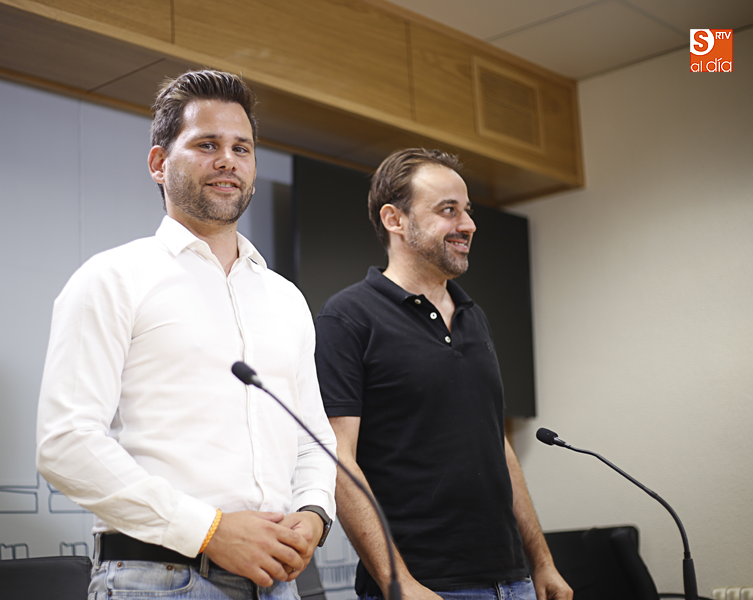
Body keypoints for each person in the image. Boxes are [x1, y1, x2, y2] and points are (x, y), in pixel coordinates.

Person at [36, 70, 336, 600]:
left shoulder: (287, 299)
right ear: (159, 163)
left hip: (278, 582)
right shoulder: (112, 278)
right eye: (206, 144)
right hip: (157, 579)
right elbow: (66, 445)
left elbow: (314, 440)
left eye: (241, 148)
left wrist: (313, 512)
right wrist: (209, 529)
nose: (228, 160)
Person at [314, 148, 571, 600]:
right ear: (395, 219)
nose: (468, 225)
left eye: (467, 211)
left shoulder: (475, 317)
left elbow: (498, 443)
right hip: (427, 587)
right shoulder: (348, 317)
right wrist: (399, 581)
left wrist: (542, 563)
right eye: (448, 210)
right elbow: (338, 460)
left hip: (514, 583)